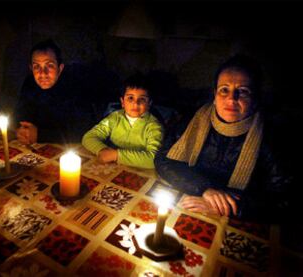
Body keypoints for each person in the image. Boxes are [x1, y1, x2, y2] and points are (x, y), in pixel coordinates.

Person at [154, 55, 291, 221]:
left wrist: (227, 206)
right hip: (191, 203)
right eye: (224, 89)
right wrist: (205, 189)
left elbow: (285, 200)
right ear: (215, 94)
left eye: (242, 92)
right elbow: (163, 159)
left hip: (238, 219)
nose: (231, 99)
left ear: (255, 99)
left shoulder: (271, 138)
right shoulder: (193, 120)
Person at [15, 39, 95, 145]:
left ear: (60, 68)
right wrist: (21, 131)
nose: (43, 73)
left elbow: (83, 132)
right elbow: (19, 117)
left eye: (50, 66)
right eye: (37, 67)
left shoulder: (76, 88)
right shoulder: (30, 83)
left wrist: (40, 135)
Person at [82, 73, 163, 169]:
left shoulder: (154, 127)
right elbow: (88, 137)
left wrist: (116, 155)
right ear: (122, 102)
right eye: (130, 98)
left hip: (140, 172)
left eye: (142, 99)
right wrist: (102, 150)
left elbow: (154, 159)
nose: (135, 103)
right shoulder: (114, 118)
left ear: (149, 103)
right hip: (112, 168)